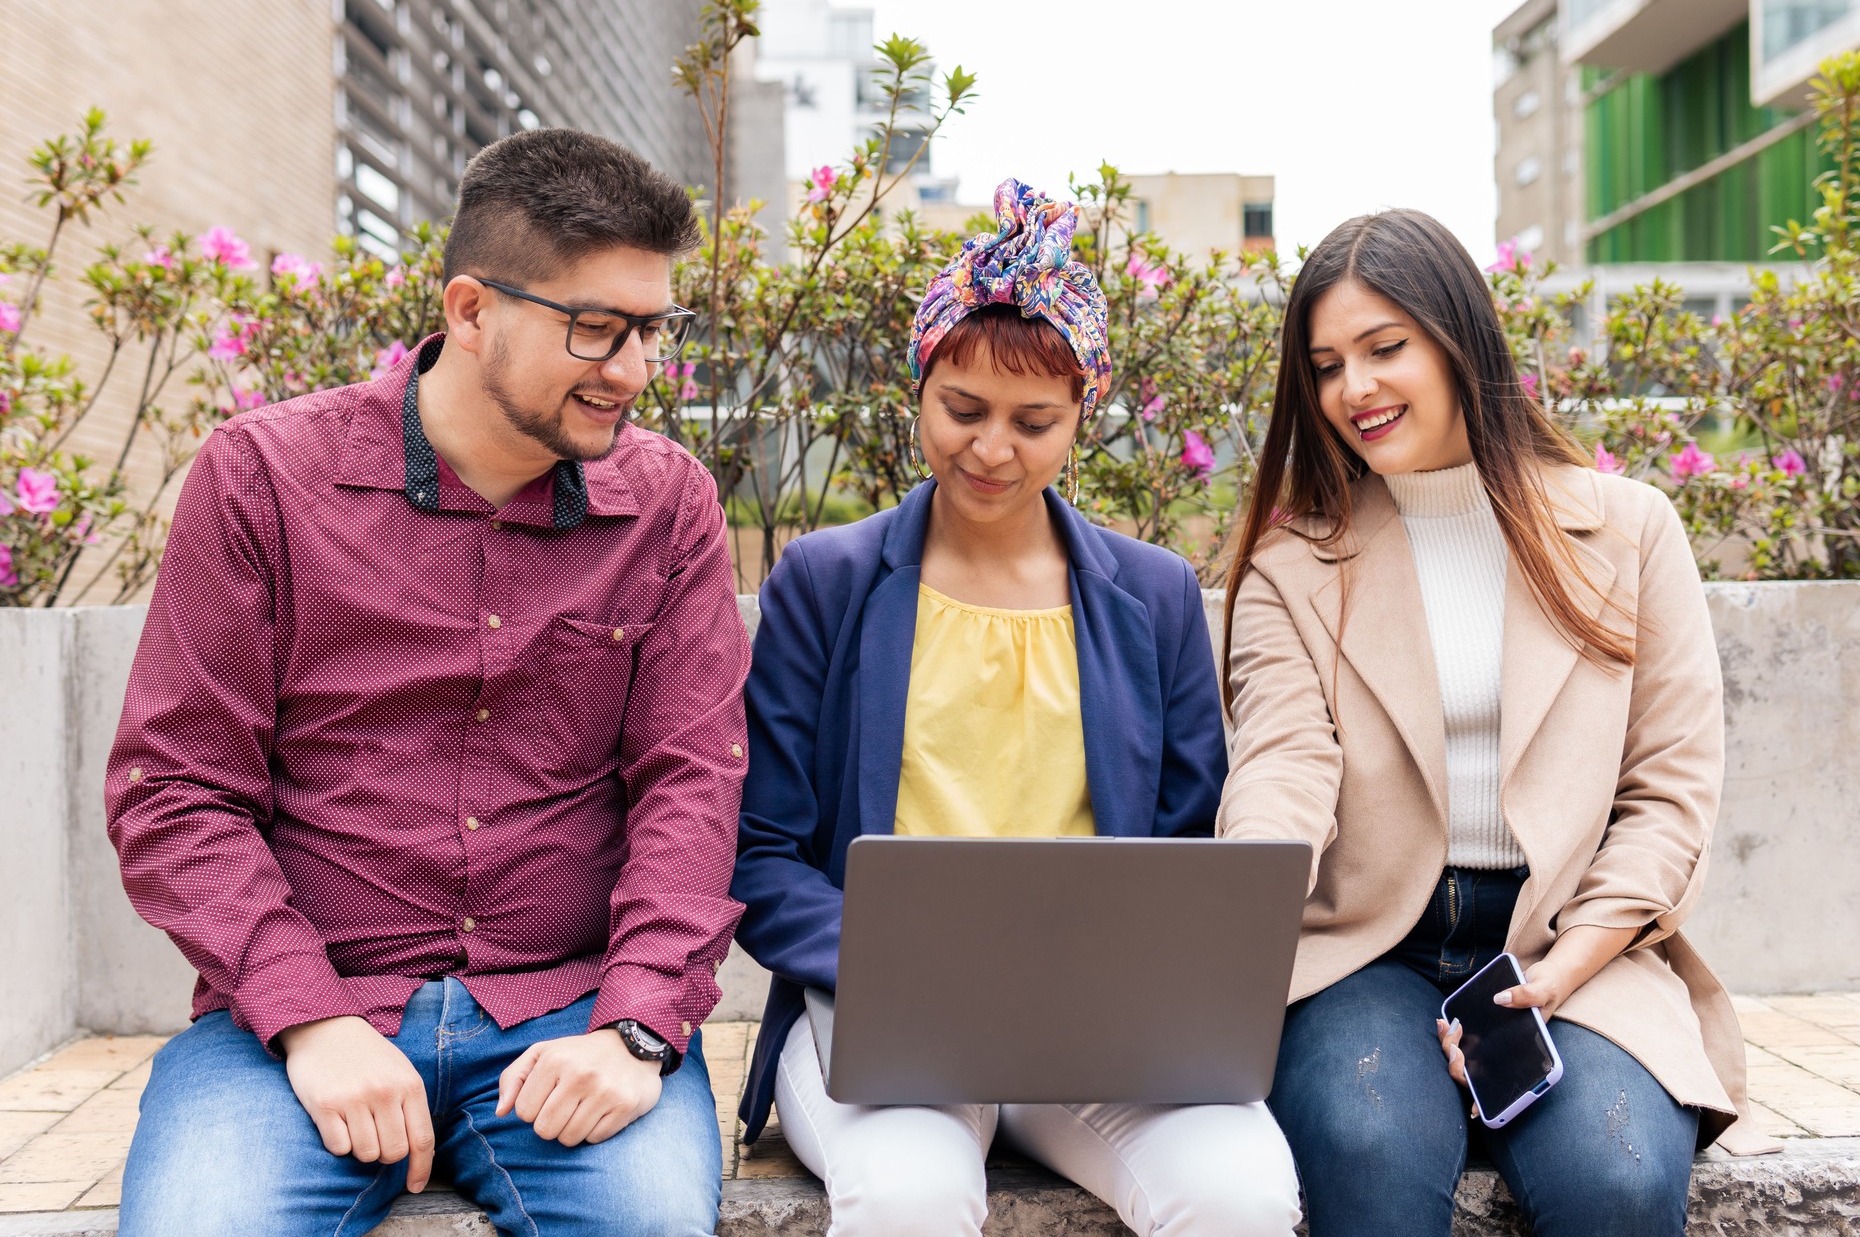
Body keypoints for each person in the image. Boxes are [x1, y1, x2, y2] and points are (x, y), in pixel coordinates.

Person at [108, 128, 749, 1237]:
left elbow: (691, 781)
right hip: (302, 1021)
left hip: (573, 1012)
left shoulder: (670, 505)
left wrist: (637, 1027)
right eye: (597, 329)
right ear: (470, 310)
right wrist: (311, 1021)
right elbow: (175, 791)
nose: (637, 372)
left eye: (654, 329)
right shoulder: (262, 479)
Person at [729, 179, 1301, 1236]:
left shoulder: (1154, 594)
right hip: (882, 1017)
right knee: (906, 1193)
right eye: (964, 409)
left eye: (1035, 421)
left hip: (1098, 1023)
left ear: (1082, 415)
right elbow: (758, 851)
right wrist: (899, 963)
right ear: (918, 388)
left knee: (1242, 1189)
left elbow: (1188, 845)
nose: (993, 449)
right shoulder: (826, 580)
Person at [1216, 207, 1776, 1237]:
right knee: (1370, 1148)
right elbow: (1283, 766)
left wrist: (1563, 970)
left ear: (1460, 339)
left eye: (1386, 348)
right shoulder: (1293, 567)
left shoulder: (1629, 528)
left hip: (1572, 941)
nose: (1356, 389)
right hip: (1363, 951)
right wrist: (1241, 900)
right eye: (1329, 364)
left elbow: (1668, 795)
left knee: (1616, 1177)